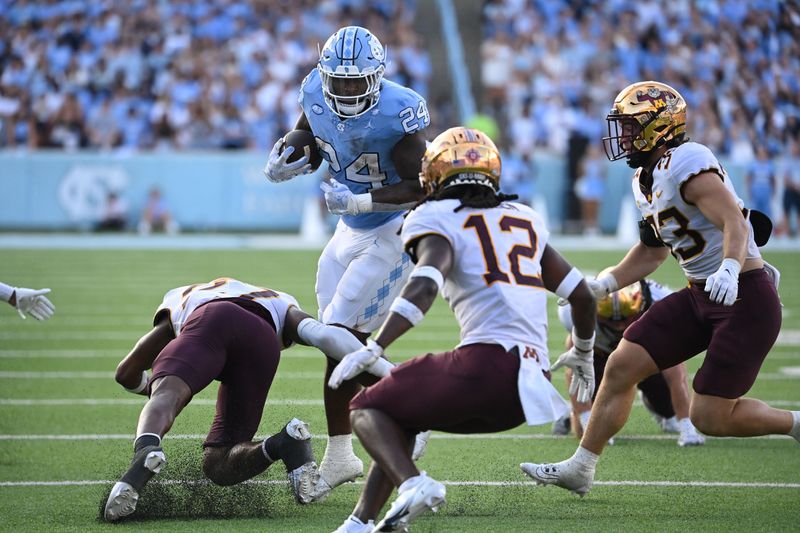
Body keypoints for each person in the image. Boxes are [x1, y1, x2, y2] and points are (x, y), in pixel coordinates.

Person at [522, 81, 799, 496]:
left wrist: (728, 267)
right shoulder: (645, 179)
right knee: (620, 364)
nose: (623, 136)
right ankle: (581, 467)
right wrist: (606, 283)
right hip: (700, 293)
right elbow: (652, 252)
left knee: (710, 417)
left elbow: (736, 223)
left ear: (659, 126)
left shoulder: (688, 160)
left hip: (743, 295)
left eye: (632, 126)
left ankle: (795, 423)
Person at [326, 127, 597, 532]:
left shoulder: (434, 215)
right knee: (399, 416)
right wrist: (585, 351)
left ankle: (414, 484)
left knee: (366, 408)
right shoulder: (524, 218)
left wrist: (377, 346)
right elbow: (582, 296)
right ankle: (359, 524)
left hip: (486, 367)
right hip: (530, 387)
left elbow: (427, 281)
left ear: (434, 175)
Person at [263, 26, 431, 499]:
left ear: (377, 79)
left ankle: (410, 407)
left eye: (357, 83)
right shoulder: (315, 88)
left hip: (391, 232)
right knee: (331, 337)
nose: (348, 90)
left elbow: (423, 185)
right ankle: (342, 456)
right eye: (340, 81)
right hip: (346, 232)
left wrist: (362, 203)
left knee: (339, 329)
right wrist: (287, 155)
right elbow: (310, 135)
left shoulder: (399, 112)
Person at [103, 277, 394, 522]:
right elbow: (326, 337)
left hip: (211, 319)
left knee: (166, 393)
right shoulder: (280, 301)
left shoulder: (184, 297)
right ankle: (283, 443)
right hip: (262, 340)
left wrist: (157, 386)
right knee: (218, 463)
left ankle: (147, 449)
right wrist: (392, 377)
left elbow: (126, 372)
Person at [554, 276, 705, 447]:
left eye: (625, 319)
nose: (619, 327)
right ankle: (569, 414)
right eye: (610, 320)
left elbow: (676, 373)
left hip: (642, 353)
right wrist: (586, 420)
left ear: (642, 306)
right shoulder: (577, 307)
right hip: (598, 356)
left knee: (670, 413)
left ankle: (656, 404)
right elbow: (576, 369)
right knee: (584, 430)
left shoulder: (662, 303)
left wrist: (687, 427)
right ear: (595, 311)